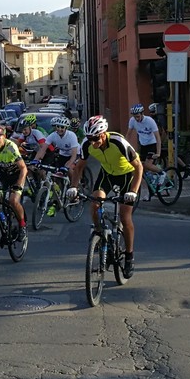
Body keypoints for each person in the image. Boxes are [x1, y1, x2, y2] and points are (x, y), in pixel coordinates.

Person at [69, 115, 143, 282]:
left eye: (95, 138)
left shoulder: (118, 142)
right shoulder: (87, 144)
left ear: (103, 134)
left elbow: (138, 167)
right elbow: (79, 166)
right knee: (95, 204)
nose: (93, 142)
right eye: (89, 138)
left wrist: (134, 191)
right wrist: (73, 187)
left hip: (126, 176)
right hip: (107, 175)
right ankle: (100, 235)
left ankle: (129, 256)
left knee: (125, 216)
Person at [126, 104, 163, 197]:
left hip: (152, 144)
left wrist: (158, 153)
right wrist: (125, 147)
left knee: (147, 164)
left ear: (142, 114)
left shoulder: (150, 121)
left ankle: (161, 173)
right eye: (135, 117)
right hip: (143, 145)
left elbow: (158, 137)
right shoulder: (132, 121)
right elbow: (128, 135)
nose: (137, 119)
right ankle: (151, 184)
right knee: (140, 167)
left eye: (138, 116)